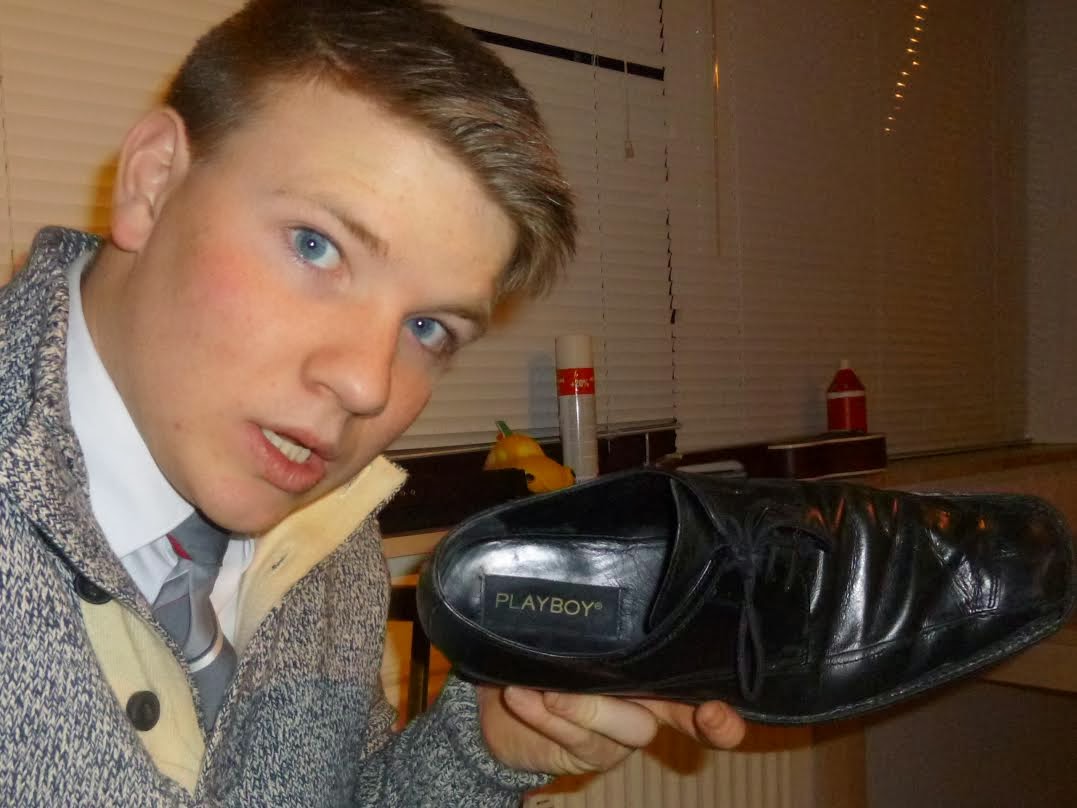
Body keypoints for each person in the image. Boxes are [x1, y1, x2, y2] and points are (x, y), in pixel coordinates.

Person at [0, 0, 745, 804]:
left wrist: (483, 749)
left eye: (427, 327)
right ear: (151, 183)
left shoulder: (326, 529)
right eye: (315, 245)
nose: (367, 385)